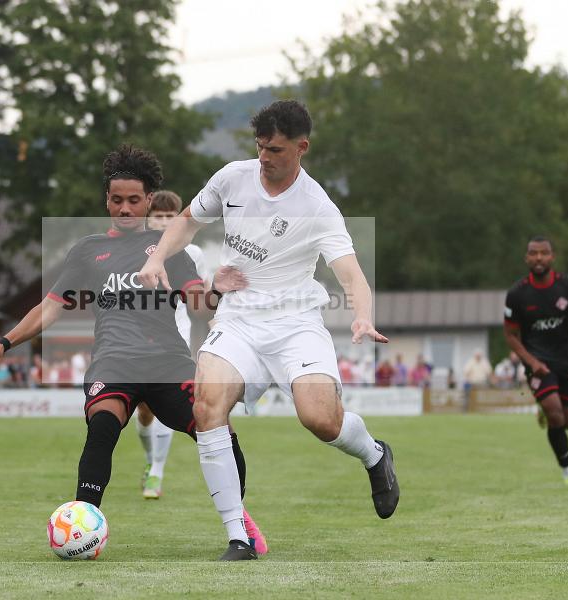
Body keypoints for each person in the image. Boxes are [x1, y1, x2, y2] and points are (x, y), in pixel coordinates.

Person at [138, 100, 398, 560]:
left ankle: (375, 454)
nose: (264, 157)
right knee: (207, 407)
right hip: (237, 319)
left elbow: (352, 274)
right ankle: (238, 535)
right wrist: (157, 256)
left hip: (296, 325)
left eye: (275, 149)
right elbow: (187, 222)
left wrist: (362, 315)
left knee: (321, 419)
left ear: (301, 147)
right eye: (259, 147)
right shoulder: (231, 177)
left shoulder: (317, 206)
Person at [0, 145, 267, 557]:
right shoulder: (88, 250)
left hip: (168, 364)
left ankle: (239, 521)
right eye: (117, 200)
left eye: (134, 200)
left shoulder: (170, 249)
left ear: (150, 199)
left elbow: (197, 302)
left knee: (217, 430)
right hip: (113, 363)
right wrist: (5, 341)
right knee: (102, 429)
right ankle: (82, 527)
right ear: (107, 200)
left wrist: (217, 289)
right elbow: (49, 309)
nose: (125, 209)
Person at [133, 190, 208, 500]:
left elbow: (200, 303)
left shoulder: (194, 254)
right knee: (145, 412)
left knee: (171, 405)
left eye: (169, 216)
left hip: (176, 338)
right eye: (158, 215)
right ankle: (151, 461)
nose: (163, 221)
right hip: (137, 339)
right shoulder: (134, 249)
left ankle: (157, 473)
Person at [503, 236, 568, 489]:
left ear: (552, 257)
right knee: (556, 414)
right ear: (526, 258)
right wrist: (531, 361)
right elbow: (510, 335)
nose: (538, 258)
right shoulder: (517, 294)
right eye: (533, 253)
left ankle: (544, 408)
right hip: (538, 365)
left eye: (544, 253)